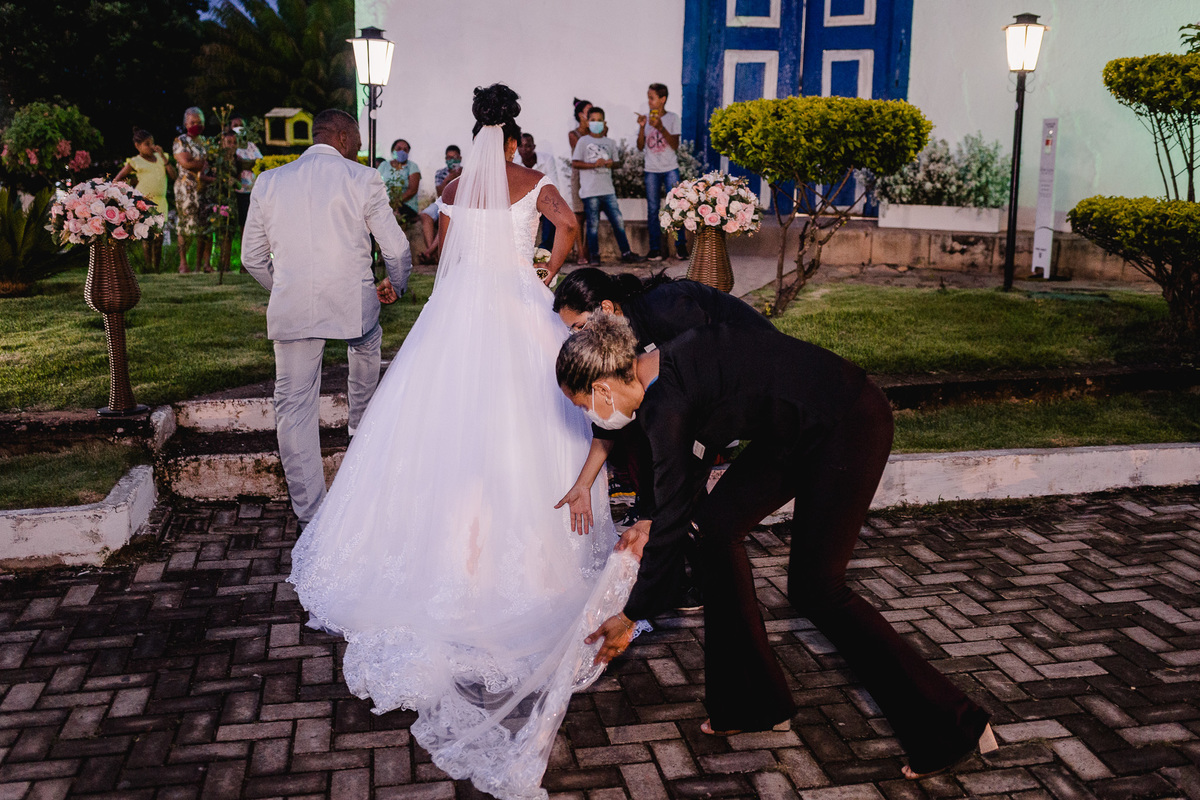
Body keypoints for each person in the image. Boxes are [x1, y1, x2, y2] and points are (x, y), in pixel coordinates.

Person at [287, 84, 637, 800]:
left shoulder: (450, 184)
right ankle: (533, 563)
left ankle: (442, 559)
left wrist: (449, 239)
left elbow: (435, 243)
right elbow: (568, 226)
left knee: (436, 428)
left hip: (454, 316)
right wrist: (543, 266)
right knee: (536, 424)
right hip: (514, 307)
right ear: (513, 134)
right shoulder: (532, 181)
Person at [557, 314, 997, 779]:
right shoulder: (656, 365)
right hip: (795, 429)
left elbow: (670, 516)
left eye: (582, 403)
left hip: (848, 422)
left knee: (817, 588)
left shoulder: (668, 405)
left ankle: (954, 726)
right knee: (717, 526)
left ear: (603, 388)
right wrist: (655, 521)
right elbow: (677, 494)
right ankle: (753, 704)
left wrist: (629, 614)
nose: (591, 416)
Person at [241, 109, 412, 528]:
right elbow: (397, 250)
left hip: (293, 305)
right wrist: (396, 284)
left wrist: (284, 287)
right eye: (355, 138)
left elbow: (252, 258)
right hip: (353, 303)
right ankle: (359, 421)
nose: (358, 147)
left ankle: (311, 514)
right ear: (341, 136)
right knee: (367, 341)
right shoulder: (362, 178)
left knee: (294, 406)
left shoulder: (270, 181)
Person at [571, 107, 639, 265]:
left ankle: (626, 253)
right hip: (590, 192)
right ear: (588, 123)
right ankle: (594, 256)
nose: (596, 123)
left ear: (604, 122)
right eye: (593, 120)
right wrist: (594, 164)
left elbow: (617, 163)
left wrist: (609, 164)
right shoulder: (583, 141)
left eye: (599, 120)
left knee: (618, 222)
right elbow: (575, 163)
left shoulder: (610, 142)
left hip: (608, 191)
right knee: (593, 225)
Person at [638, 83, 689, 262]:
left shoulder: (673, 118)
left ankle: (680, 246)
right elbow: (639, 146)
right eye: (648, 97)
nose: (649, 101)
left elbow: (674, 145)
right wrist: (641, 128)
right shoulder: (646, 118)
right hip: (651, 169)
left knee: (676, 207)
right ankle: (655, 249)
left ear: (662, 99)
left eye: (652, 98)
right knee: (653, 210)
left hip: (670, 169)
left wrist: (660, 127)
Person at [114, 128, 176, 270]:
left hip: (161, 202)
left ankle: (156, 267)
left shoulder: (161, 158)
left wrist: (164, 158)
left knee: (158, 236)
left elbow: (173, 176)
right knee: (147, 236)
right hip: (144, 203)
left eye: (152, 143)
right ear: (138, 146)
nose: (151, 146)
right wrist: (132, 183)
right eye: (147, 144)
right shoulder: (135, 161)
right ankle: (147, 266)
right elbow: (118, 179)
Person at [172, 107, 211, 273]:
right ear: (186, 123)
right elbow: (186, 162)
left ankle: (205, 265)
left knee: (207, 226)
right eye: (193, 122)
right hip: (186, 189)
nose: (197, 125)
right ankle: (183, 263)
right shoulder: (181, 141)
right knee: (186, 226)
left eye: (199, 122)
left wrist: (198, 162)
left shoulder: (205, 141)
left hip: (205, 188)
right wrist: (203, 163)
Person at [418, 145, 462, 264]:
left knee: (448, 216)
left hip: (459, 204)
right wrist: (449, 179)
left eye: (454, 157)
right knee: (425, 215)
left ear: (460, 158)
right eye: (448, 157)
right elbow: (440, 193)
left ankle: (429, 253)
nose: (451, 160)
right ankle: (431, 253)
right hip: (442, 201)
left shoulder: (466, 172)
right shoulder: (440, 173)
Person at [516, 133, 560, 251]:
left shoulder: (547, 159)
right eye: (521, 146)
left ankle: (545, 251)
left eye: (528, 146)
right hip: (524, 203)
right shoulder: (514, 163)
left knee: (551, 211)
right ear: (517, 148)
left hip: (544, 200)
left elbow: (553, 185)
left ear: (534, 147)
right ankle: (522, 250)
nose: (524, 149)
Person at [567, 98, 592, 264]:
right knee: (579, 215)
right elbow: (584, 152)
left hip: (593, 177)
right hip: (579, 176)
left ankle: (588, 252)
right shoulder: (573, 135)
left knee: (592, 215)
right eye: (589, 112)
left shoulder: (595, 133)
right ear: (581, 115)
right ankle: (580, 253)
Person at [230, 116, 263, 233]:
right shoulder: (229, 145)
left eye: (241, 125)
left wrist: (243, 163)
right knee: (242, 220)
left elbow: (259, 162)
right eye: (235, 125)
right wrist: (248, 163)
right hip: (238, 189)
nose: (238, 128)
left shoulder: (251, 145)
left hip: (253, 189)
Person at [378, 138, 421, 222]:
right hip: (385, 203)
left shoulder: (412, 167)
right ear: (392, 151)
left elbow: (412, 190)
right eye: (398, 149)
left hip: (406, 205)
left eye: (405, 150)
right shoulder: (384, 165)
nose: (402, 152)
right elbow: (376, 184)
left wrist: (393, 203)